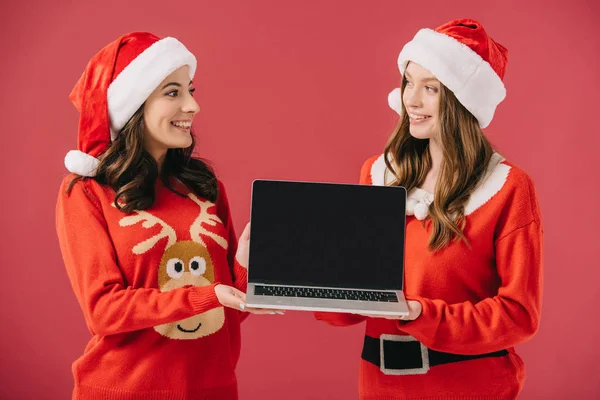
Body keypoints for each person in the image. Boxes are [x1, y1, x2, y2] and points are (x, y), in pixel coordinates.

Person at [315, 19, 543, 399]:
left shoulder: (509, 188)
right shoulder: (377, 173)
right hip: (379, 386)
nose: (411, 99)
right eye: (408, 81)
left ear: (461, 100)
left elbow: (519, 315)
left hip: (468, 387)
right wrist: (310, 272)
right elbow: (357, 298)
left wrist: (423, 315)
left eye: (430, 88)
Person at [56, 31, 277, 400]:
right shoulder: (87, 192)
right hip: (125, 390)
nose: (192, 106)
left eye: (191, 90)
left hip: (213, 389)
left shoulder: (206, 188)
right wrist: (207, 294)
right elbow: (104, 310)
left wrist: (244, 268)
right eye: (173, 93)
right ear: (134, 106)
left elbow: (225, 308)